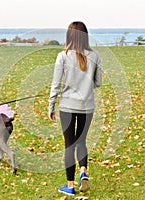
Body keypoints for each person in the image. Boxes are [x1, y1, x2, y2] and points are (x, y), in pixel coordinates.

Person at [48, 21, 102, 196]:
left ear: (69, 36)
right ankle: (83, 171)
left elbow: (55, 84)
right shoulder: (95, 56)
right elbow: (98, 82)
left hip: (67, 107)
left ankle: (70, 186)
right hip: (87, 107)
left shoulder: (62, 56)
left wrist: (51, 105)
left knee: (69, 145)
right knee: (81, 141)